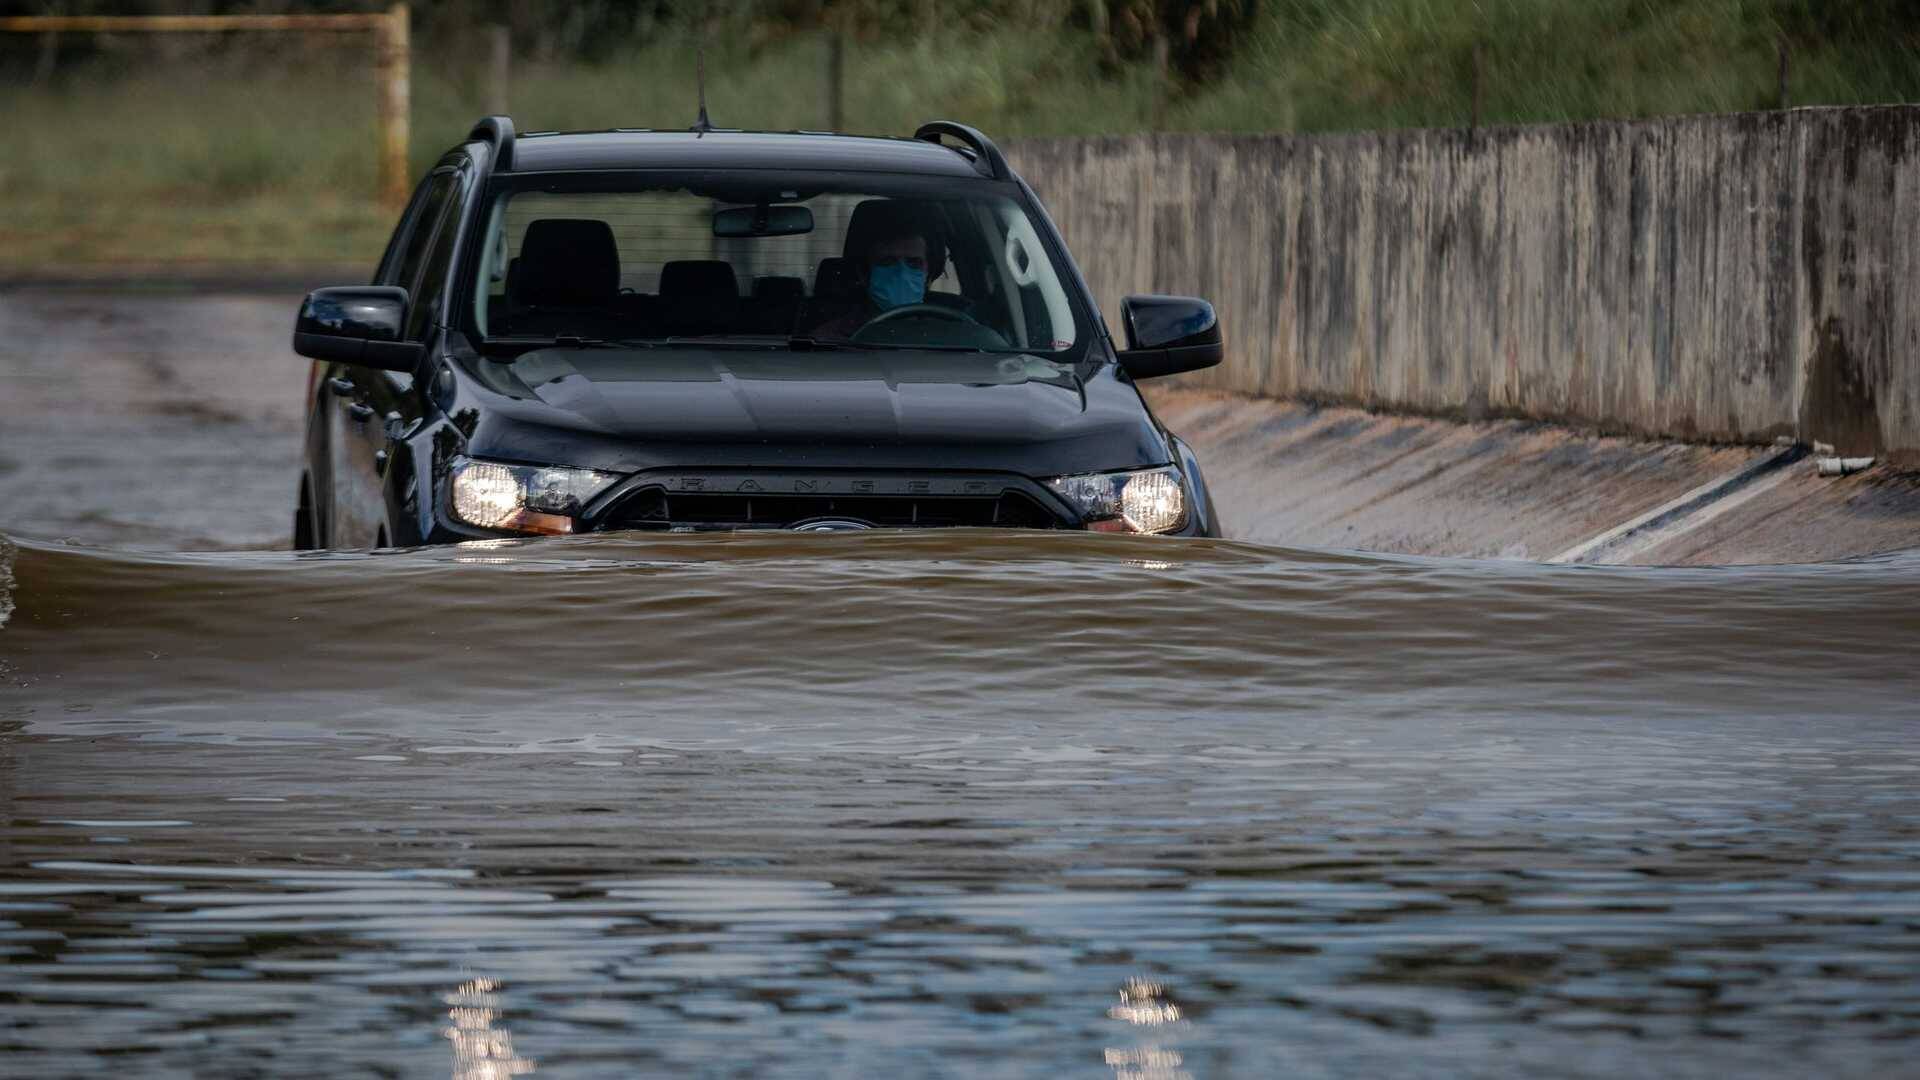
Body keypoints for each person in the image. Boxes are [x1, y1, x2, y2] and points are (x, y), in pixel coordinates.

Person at [807, 201, 944, 339]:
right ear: (863, 274)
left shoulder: (949, 336)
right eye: (888, 262)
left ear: (929, 274)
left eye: (914, 263)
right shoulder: (828, 341)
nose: (902, 273)